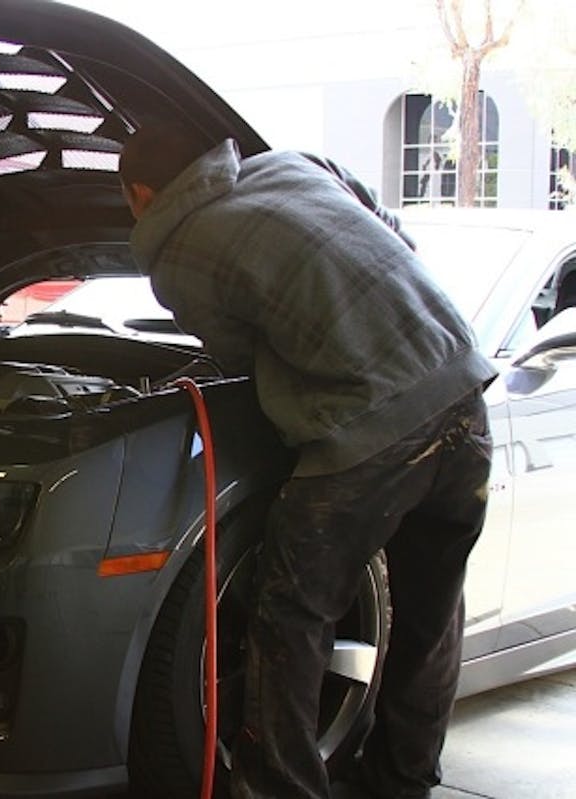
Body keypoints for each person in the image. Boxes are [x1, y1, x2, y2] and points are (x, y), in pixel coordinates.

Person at [118, 127, 497, 799]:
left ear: (142, 195)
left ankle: (282, 788)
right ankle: (402, 780)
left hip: (371, 429)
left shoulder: (178, 255)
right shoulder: (296, 164)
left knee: (290, 613)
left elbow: (238, 361)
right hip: (463, 389)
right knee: (430, 615)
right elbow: (387, 227)